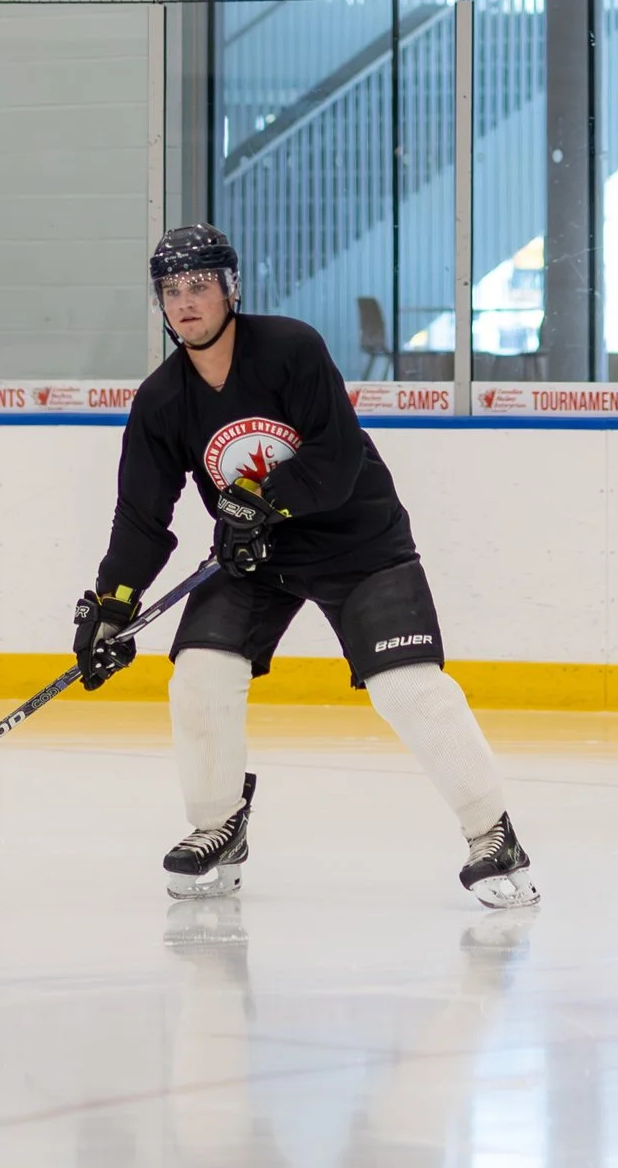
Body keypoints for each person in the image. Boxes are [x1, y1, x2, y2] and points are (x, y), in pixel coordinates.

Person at [72, 224, 538, 908]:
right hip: (257, 556)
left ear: (231, 287)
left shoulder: (290, 348)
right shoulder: (162, 400)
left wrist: (265, 499)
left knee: (407, 685)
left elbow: (337, 458)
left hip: (360, 541)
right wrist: (113, 602)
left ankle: (493, 834)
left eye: (198, 284)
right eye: (170, 290)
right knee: (200, 673)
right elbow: (142, 516)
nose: (184, 302)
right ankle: (218, 825)